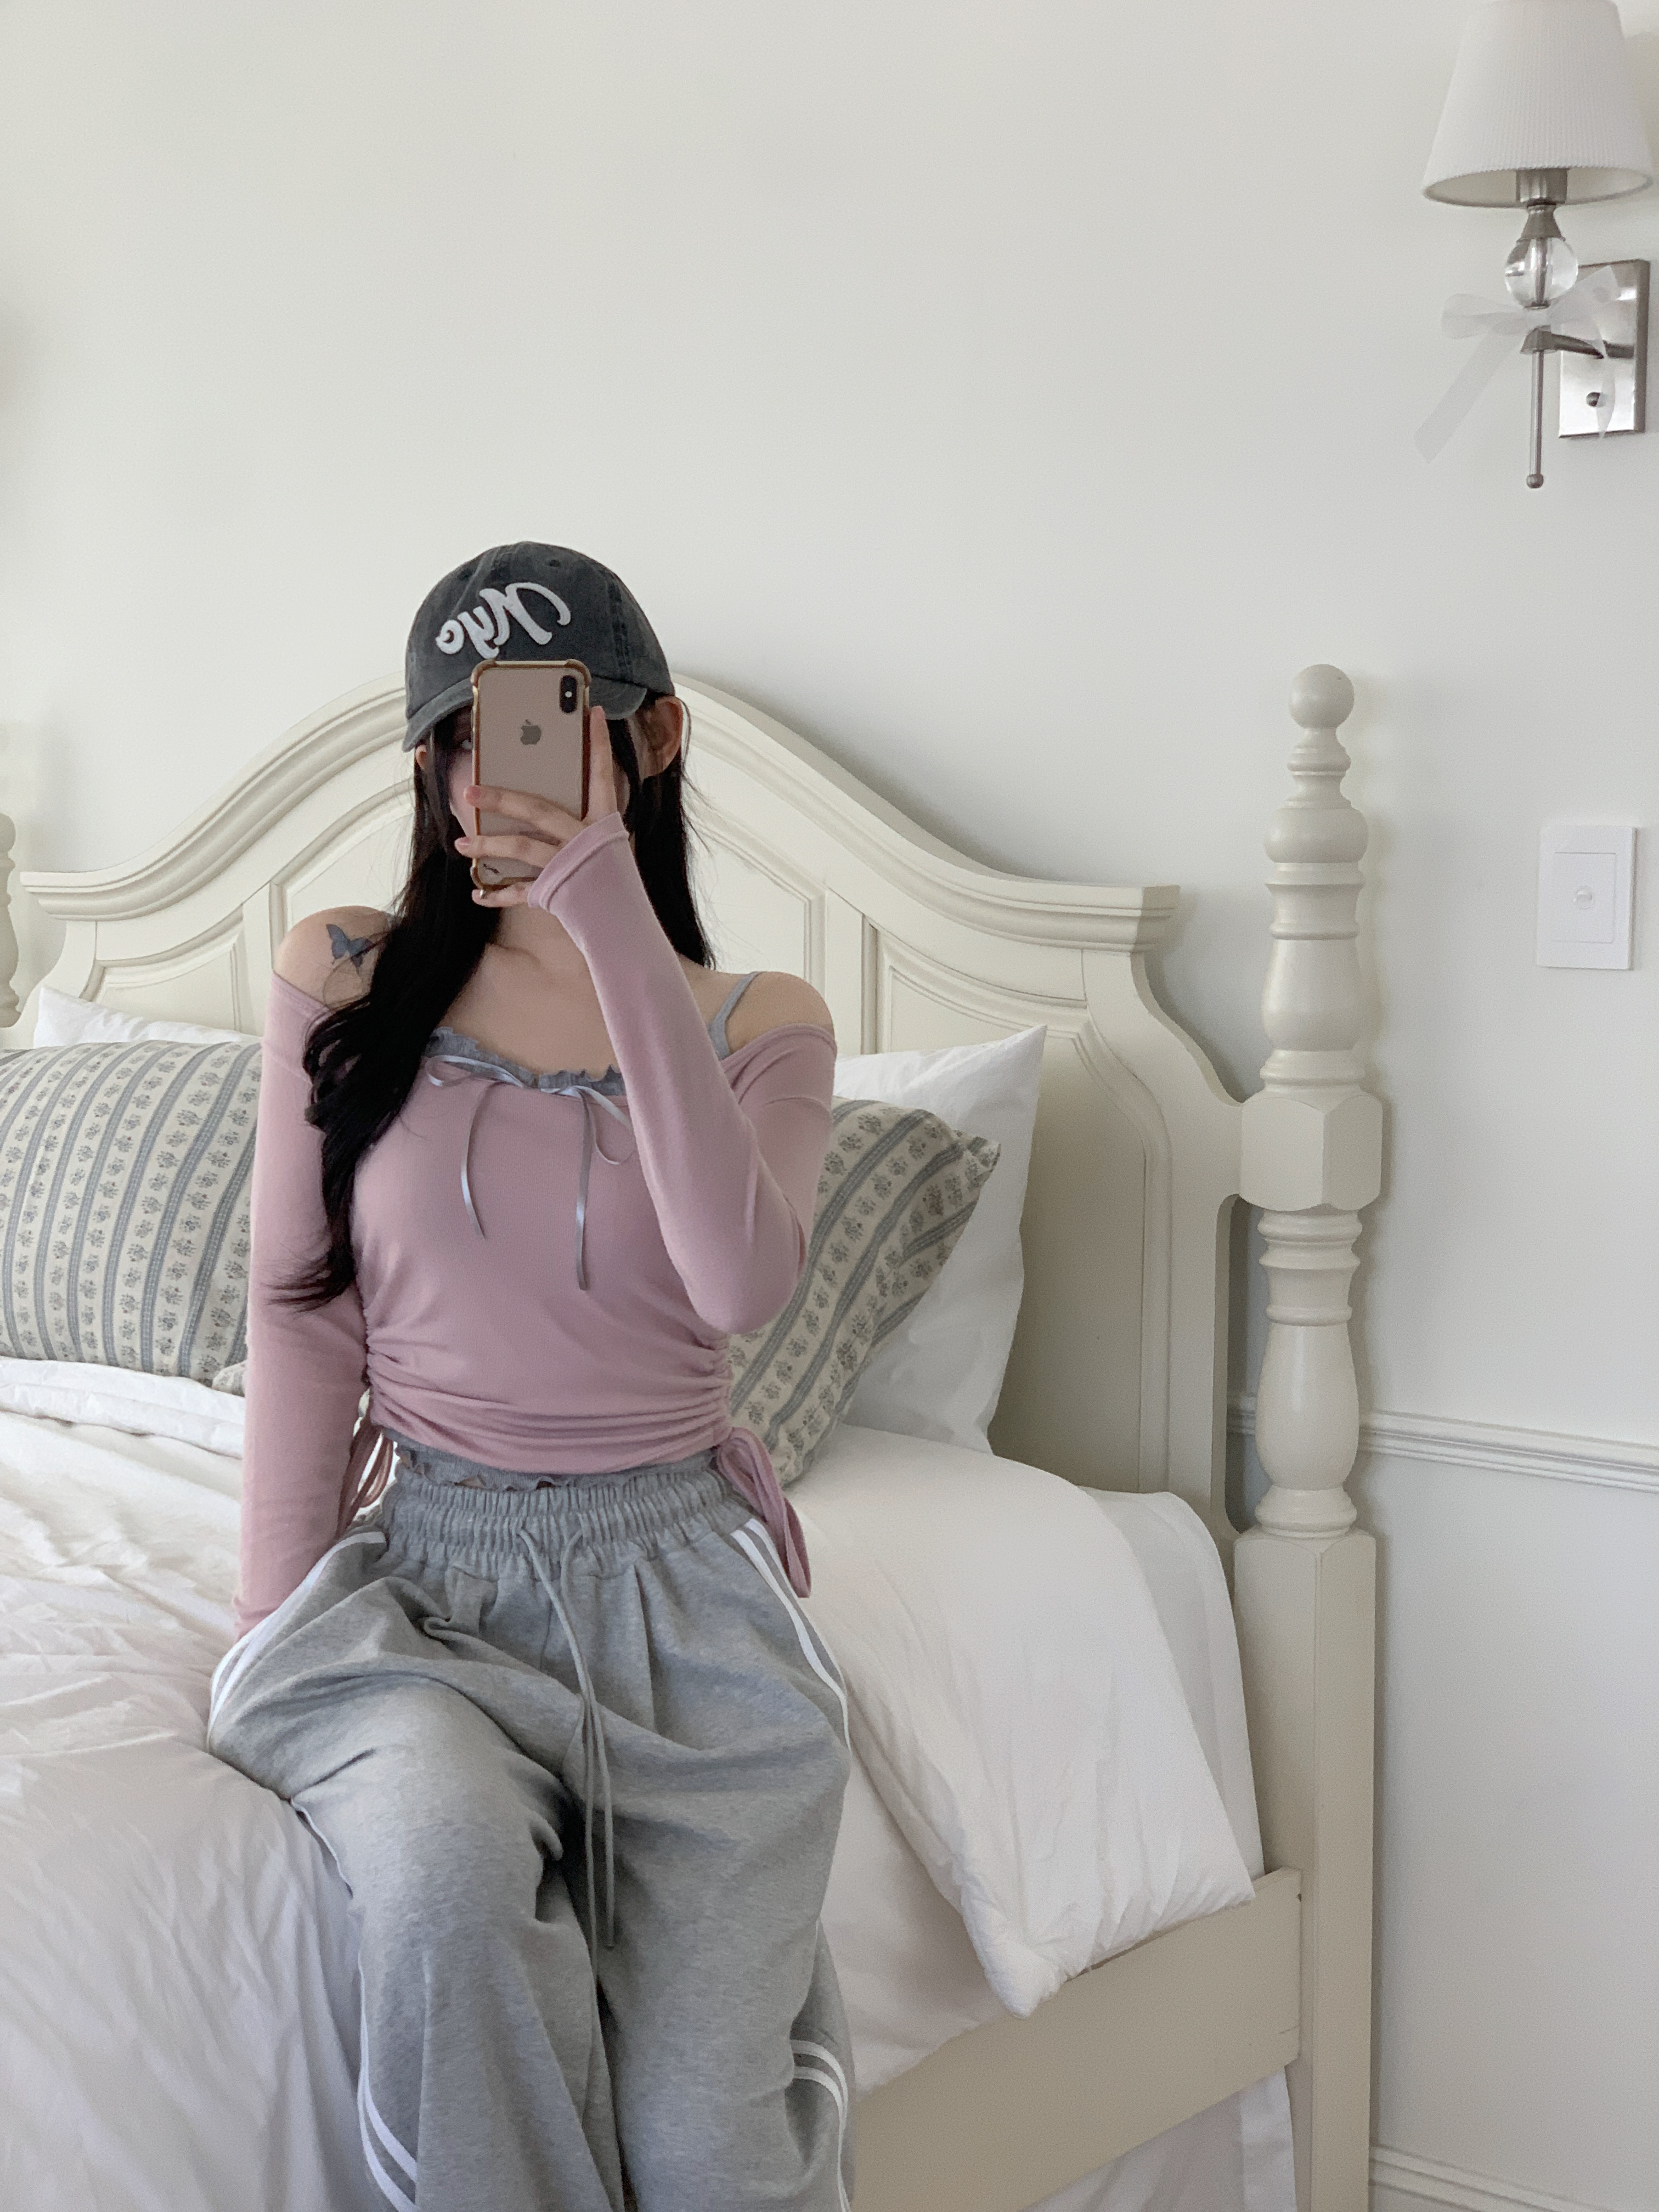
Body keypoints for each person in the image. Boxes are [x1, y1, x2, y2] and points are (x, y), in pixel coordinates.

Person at [206, 544, 854, 2212]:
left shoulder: (760, 1022)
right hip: (426, 1588)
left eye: (550, 726)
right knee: (442, 1877)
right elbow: (301, 1312)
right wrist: (276, 1617)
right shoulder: (343, 976)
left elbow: (739, 1283)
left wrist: (605, 912)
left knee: (709, 2148)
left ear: (655, 739)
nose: (494, 775)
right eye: (460, 737)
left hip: (684, 1612)